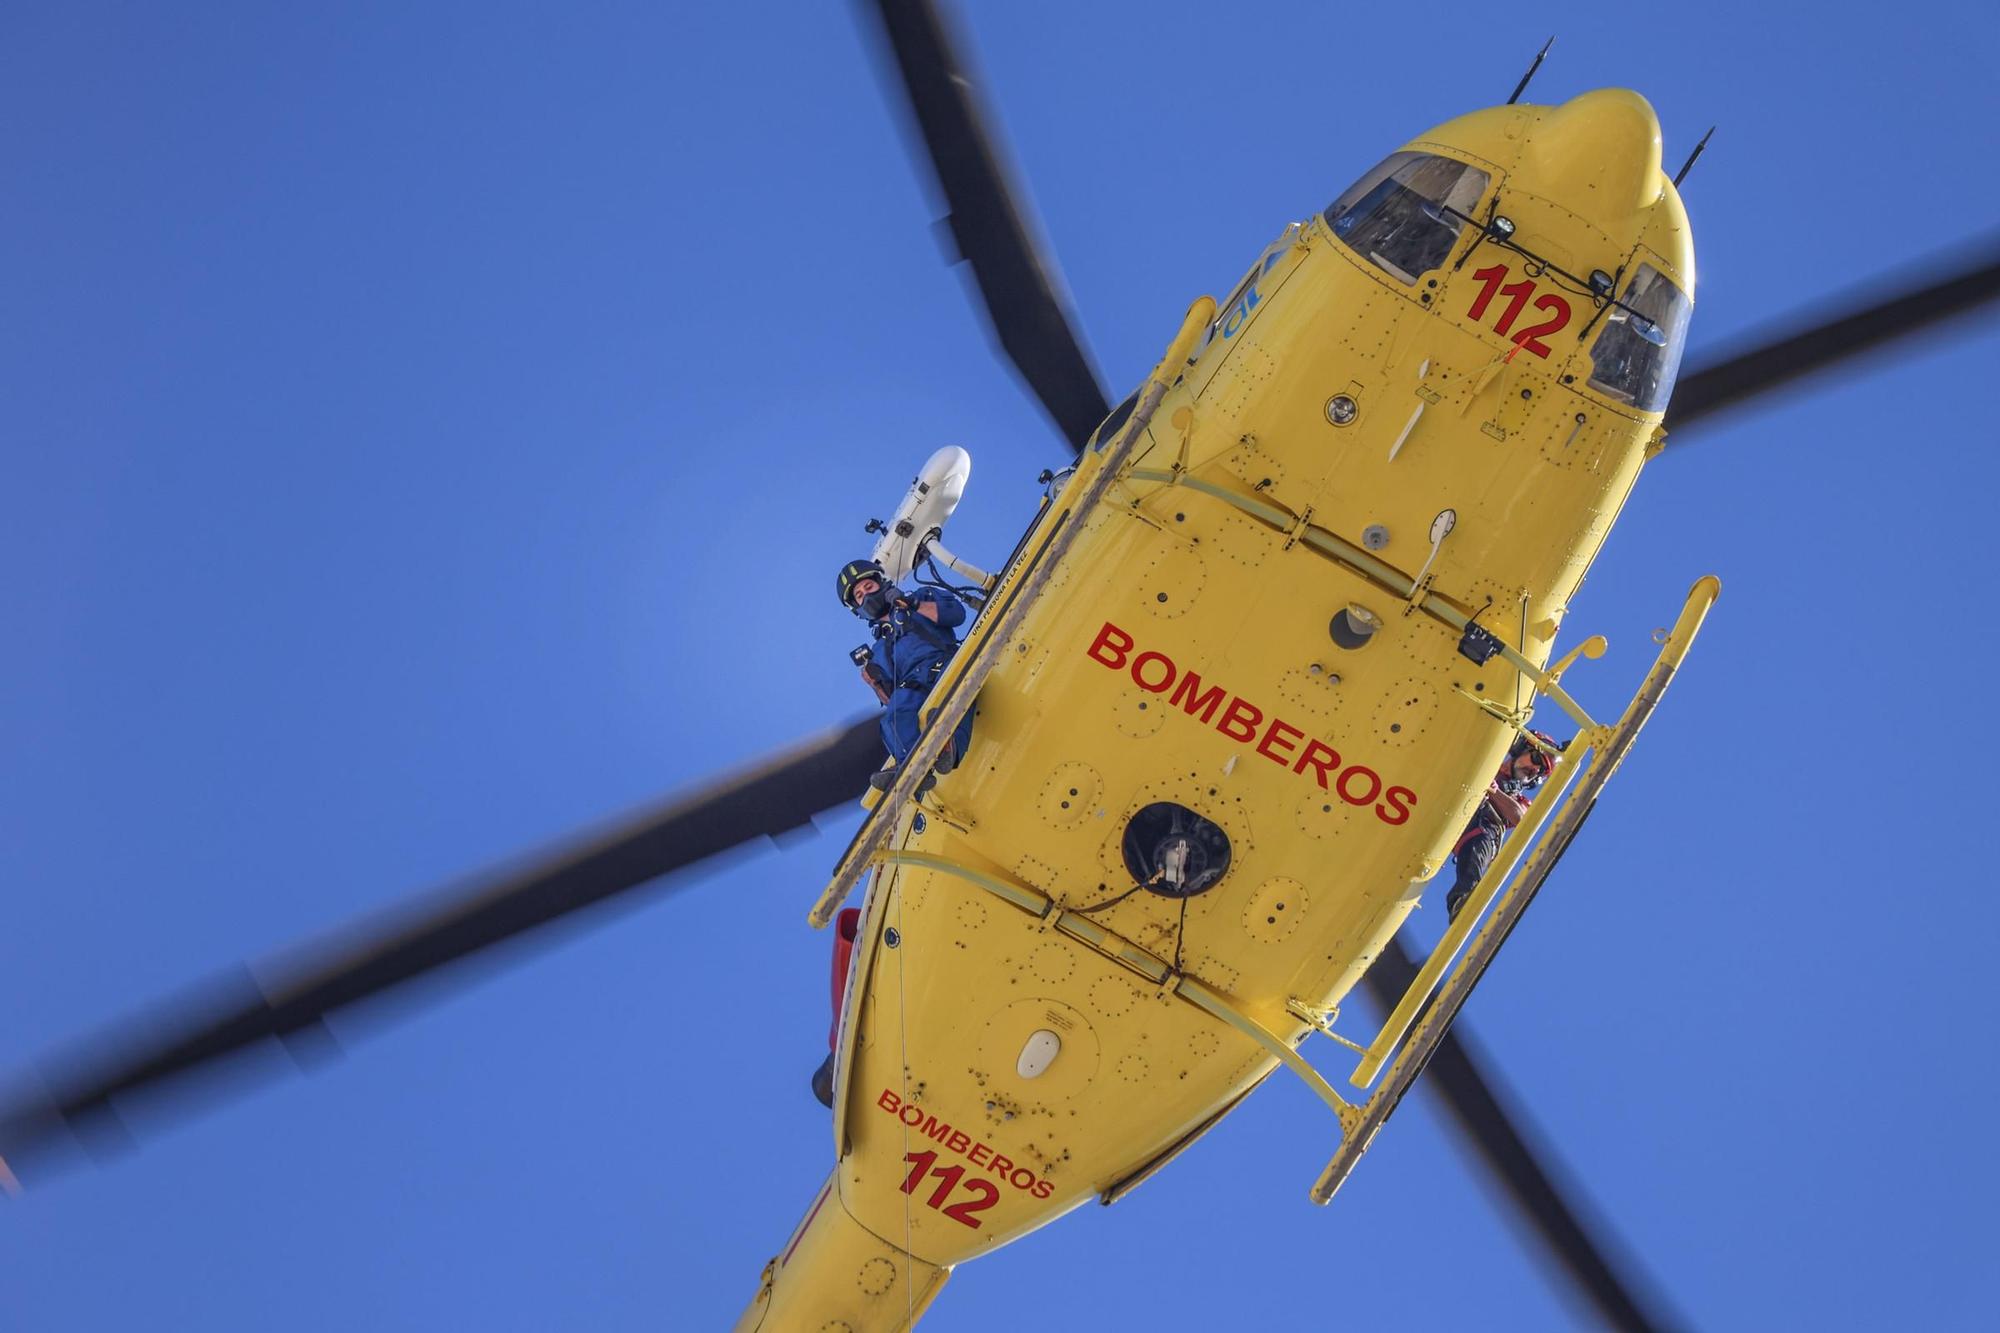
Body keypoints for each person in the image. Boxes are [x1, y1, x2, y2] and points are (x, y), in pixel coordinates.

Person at [835, 558, 975, 795]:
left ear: (881, 583)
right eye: (859, 595)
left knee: (949, 696)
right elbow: (890, 698)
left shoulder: (919, 597)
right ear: (857, 608)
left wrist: (911, 604)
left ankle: (947, 747)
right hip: (912, 684)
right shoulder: (879, 650)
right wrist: (874, 683)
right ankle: (910, 767)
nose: (866, 596)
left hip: (943, 662)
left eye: (868, 587)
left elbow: (955, 614)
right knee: (893, 718)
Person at [1443, 730, 1559, 922]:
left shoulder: (1517, 799)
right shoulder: (1487, 763)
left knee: (1483, 838)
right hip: (1446, 806)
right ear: (1521, 748)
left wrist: (1494, 792)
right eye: (1536, 759)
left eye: (1541, 773)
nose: (1535, 770)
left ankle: (1462, 899)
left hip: (1473, 829)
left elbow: (1519, 818)